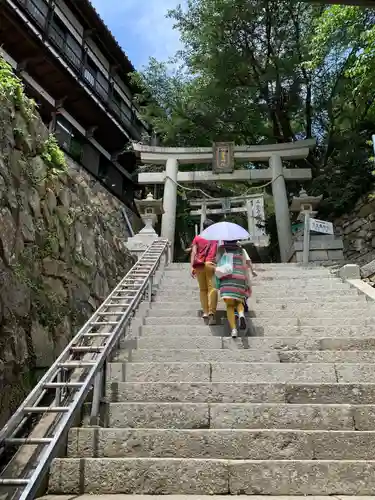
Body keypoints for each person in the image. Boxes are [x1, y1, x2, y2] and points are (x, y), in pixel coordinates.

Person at [216, 240, 251, 338]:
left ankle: (234, 330)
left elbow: (217, 262)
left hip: (227, 279)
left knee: (230, 305)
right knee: (239, 301)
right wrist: (247, 281)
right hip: (240, 278)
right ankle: (241, 315)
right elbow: (245, 265)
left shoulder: (222, 249)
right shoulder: (241, 250)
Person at [190, 220, 218, 325]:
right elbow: (219, 253)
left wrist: (192, 267)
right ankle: (212, 312)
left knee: (203, 289)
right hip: (210, 264)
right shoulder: (216, 239)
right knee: (212, 289)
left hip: (199, 266)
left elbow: (194, 252)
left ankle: (205, 312)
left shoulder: (197, 238)